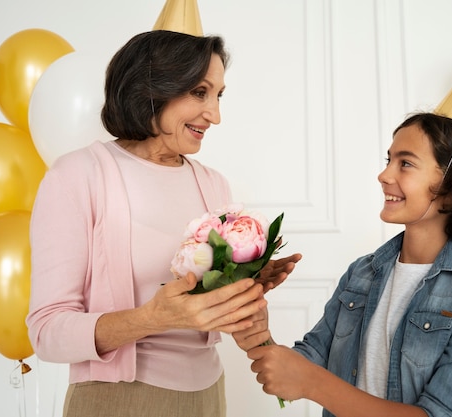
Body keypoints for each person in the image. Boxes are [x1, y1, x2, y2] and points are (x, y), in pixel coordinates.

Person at [26, 30, 301, 417]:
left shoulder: (213, 183)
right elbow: (47, 333)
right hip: (117, 399)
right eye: (200, 92)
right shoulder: (78, 175)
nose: (215, 115)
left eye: (218, 95)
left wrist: (242, 290)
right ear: (153, 87)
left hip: (207, 395)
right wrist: (150, 319)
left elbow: (206, 307)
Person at [234, 112, 452, 417]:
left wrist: (312, 382)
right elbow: (309, 361)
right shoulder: (362, 273)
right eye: (389, 160)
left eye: (405, 163)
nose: (384, 175)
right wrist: (258, 333)